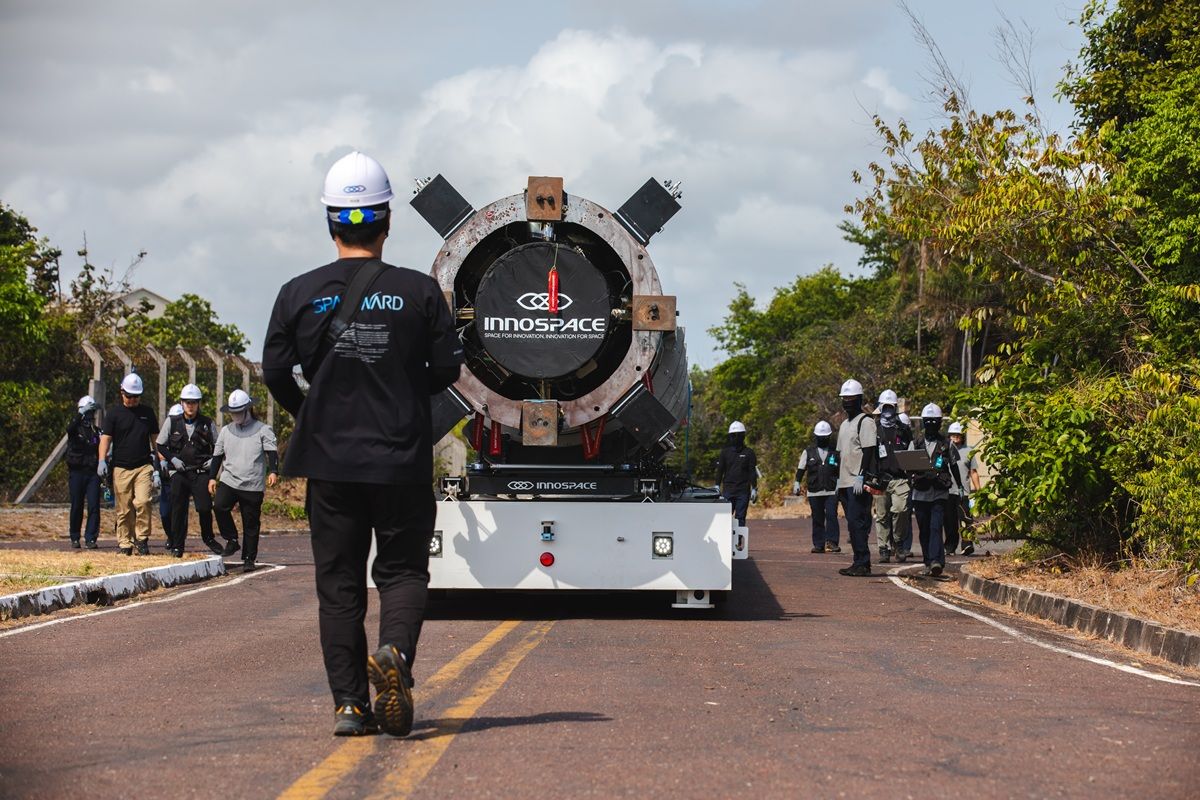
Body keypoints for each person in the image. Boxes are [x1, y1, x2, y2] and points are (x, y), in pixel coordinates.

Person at [262, 151, 463, 737]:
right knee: (402, 573)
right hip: (399, 458)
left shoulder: (297, 293)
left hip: (330, 463)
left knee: (339, 587)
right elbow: (447, 369)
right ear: (387, 221)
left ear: (331, 221)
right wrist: (402, 391)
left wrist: (311, 412)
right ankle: (395, 651)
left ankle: (350, 705)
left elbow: (274, 371)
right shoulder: (420, 292)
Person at [207, 390, 278, 572]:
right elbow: (217, 456)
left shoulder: (263, 429)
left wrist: (273, 471)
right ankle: (231, 539)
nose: (236, 415)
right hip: (229, 479)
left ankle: (248, 558)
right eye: (233, 412)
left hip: (252, 483)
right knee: (219, 506)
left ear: (248, 409)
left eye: (239, 412)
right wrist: (212, 477)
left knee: (250, 523)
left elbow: (271, 452)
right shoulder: (226, 431)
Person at [97, 373, 160, 555]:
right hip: (121, 467)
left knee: (143, 502)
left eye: (136, 397)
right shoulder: (114, 414)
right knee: (124, 508)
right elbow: (105, 439)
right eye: (129, 396)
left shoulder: (147, 413)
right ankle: (125, 543)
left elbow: (155, 440)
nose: (132, 400)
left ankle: (142, 539)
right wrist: (101, 460)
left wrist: (160, 464)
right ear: (122, 393)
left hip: (143, 466)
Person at [158, 385, 221, 557]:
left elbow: (218, 447)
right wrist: (172, 459)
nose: (190, 406)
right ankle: (177, 545)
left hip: (200, 472)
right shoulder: (172, 422)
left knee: (205, 507)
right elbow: (160, 445)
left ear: (198, 404)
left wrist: (213, 461)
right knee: (178, 509)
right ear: (182, 403)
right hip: (179, 472)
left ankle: (208, 537)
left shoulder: (207, 423)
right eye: (187, 402)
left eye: (193, 402)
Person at [909, 404, 964, 576]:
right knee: (924, 530)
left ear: (940, 423)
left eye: (935, 421)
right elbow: (907, 466)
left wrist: (960, 485)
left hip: (939, 493)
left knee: (935, 527)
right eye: (928, 421)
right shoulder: (915, 443)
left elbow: (954, 466)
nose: (931, 424)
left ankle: (935, 561)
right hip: (920, 494)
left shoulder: (947, 444)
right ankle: (929, 561)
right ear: (923, 422)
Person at [835, 379, 877, 577]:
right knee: (852, 524)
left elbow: (869, 451)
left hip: (857, 482)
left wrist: (862, 475)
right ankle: (858, 561)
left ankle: (863, 563)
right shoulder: (844, 424)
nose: (847, 402)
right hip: (844, 481)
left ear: (859, 399)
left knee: (857, 522)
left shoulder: (865, 421)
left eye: (851, 398)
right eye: (844, 398)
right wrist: (838, 480)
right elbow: (840, 453)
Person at [870, 390, 913, 563]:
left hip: (899, 478)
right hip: (880, 479)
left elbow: (911, 450)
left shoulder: (903, 429)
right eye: (885, 407)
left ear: (895, 408)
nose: (888, 410)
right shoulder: (874, 429)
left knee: (900, 510)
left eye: (891, 407)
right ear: (880, 408)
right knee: (881, 515)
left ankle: (898, 542)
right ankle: (883, 548)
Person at [793, 421, 840, 553]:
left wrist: (839, 483)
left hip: (831, 490)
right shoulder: (808, 452)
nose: (823, 439)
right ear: (816, 437)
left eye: (825, 437)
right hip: (814, 491)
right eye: (820, 437)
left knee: (832, 516)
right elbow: (801, 469)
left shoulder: (835, 452)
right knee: (817, 518)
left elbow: (840, 470)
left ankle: (832, 542)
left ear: (829, 437)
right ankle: (819, 544)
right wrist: (797, 482)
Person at [65, 395, 101, 549]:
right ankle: (74, 536)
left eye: (92, 412)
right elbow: (70, 428)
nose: (90, 416)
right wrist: (80, 414)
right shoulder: (75, 430)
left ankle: (91, 538)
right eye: (88, 412)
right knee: (77, 505)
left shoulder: (96, 431)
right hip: (77, 472)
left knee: (94, 506)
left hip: (92, 473)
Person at [716, 421, 757, 527]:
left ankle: (739, 537)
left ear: (743, 436)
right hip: (728, 490)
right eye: (733, 435)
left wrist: (754, 488)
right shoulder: (725, 453)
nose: (736, 438)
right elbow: (720, 470)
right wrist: (717, 485)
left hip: (743, 491)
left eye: (738, 435)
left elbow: (752, 472)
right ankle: (725, 537)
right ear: (730, 436)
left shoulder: (749, 453)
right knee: (725, 518)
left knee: (740, 517)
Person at [945, 421, 978, 556]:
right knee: (949, 521)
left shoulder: (969, 451)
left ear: (962, 436)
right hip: (947, 491)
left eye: (958, 434)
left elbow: (973, 472)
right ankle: (950, 547)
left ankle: (967, 544)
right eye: (953, 434)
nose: (955, 437)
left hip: (964, 492)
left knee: (966, 519)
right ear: (949, 436)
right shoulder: (944, 450)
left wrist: (979, 490)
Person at [156, 404, 183, 550]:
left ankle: (178, 541)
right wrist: (156, 472)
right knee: (165, 513)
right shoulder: (165, 434)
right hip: (166, 480)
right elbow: (158, 450)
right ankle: (170, 536)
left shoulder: (186, 436)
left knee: (179, 511)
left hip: (179, 478)